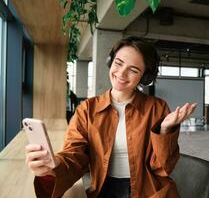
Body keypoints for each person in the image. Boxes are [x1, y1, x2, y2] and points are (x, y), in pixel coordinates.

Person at [25, 36, 197, 198]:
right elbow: (75, 155)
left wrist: (165, 130)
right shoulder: (87, 109)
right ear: (110, 61)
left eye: (133, 70)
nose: (121, 74)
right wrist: (52, 166)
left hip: (148, 190)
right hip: (103, 189)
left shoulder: (157, 108)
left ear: (144, 77)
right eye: (118, 63)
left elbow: (161, 167)